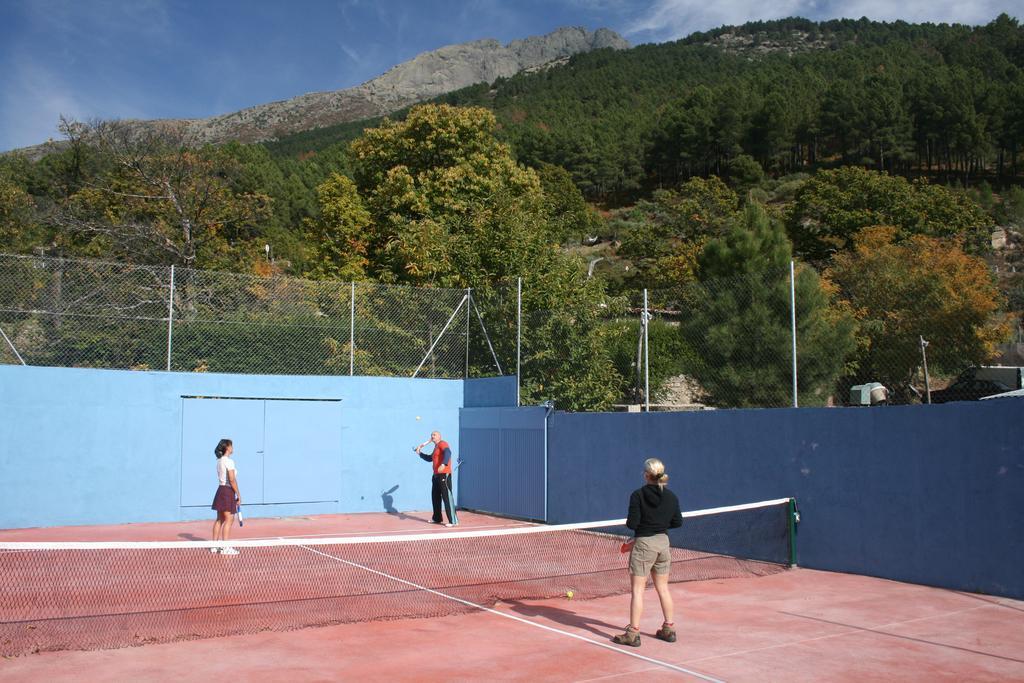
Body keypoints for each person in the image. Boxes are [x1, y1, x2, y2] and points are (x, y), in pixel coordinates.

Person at [612, 458, 682, 647]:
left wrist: (643, 530)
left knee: (637, 590)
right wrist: (658, 524)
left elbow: (632, 524)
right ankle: (669, 629)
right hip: (663, 543)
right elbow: (677, 523)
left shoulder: (638, 495)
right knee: (663, 588)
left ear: (646, 475)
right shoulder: (671, 497)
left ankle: (633, 633)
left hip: (644, 544)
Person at [414, 431, 458, 527]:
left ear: (439, 436)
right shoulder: (436, 447)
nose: (432, 436)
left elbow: (448, 452)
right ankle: (437, 518)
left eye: (434, 435)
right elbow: (430, 458)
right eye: (431, 435)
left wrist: (444, 464)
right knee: (435, 497)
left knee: (447, 497)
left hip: (444, 475)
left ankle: (453, 521)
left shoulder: (443, 443)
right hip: (436, 476)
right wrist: (419, 453)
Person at [210, 438, 242, 555]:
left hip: (220, 490)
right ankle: (225, 548)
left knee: (220, 519)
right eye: (231, 445)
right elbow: (232, 480)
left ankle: (214, 546)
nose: (233, 447)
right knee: (229, 519)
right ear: (227, 447)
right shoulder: (229, 461)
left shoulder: (219, 461)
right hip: (227, 491)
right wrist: (238, 494)